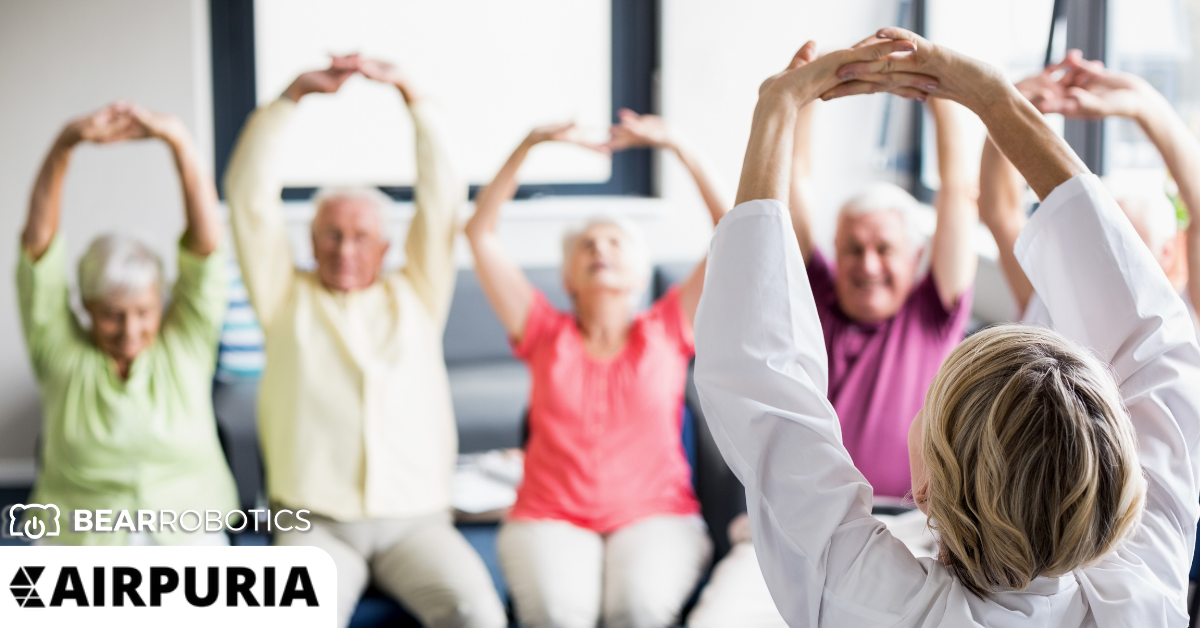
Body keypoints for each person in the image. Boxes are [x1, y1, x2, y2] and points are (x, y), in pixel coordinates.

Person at [694, 27, 1199, 626]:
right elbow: (1155, 345)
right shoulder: (1147, 596)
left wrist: (775, 108)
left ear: (926, 489)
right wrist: (994, 98)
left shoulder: (870, 599)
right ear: (1122, 490)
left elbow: (762, 387)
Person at [223, 56, 506, 628]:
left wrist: (412, 96)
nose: (345, 249)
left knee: (477, 612)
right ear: (310, 239)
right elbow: (248, 196)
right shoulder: (284, 296)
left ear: (385, 245)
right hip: (314, 523)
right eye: (331, 234)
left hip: (417, 522)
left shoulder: (417, 294)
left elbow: (442, 197)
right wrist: (290, 98)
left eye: (360, 236)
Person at [465, 110, 722, 628]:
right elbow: (480, 233)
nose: (600, 249)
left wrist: (679, 148)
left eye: (614, 243)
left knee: (638, 609)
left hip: (657, 517)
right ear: (568, 277)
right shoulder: (542, 331)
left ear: (638, 272)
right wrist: (527, 144)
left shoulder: (669, 327)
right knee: (560, 615)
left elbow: (736, 233)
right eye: (587, 245)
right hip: (549, 516)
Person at [17, 102, 237, 545]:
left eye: (143, 312)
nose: (131, 330)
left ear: (163, 302)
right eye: (113, 316)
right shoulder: (60, 352)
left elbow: (207, 253)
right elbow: (38, 255)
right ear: (87, 308)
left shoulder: (186, 341)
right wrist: (65, 145)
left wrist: (178, 140)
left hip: (187, 533)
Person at [788, 75, 977, 500]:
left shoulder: (932, 311)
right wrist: (810, 87)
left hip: (908, 523)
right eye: (853, 249)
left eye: (884, 249)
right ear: (835, 250)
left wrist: (935, 88)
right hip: (810, 515)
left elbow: (958, 192)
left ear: (914, 257)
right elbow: (794, 179)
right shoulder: (816, 290)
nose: (867, 264)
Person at [980, 49, 1200, 331]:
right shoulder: (1052, 306)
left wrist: (1144, 105)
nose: (1115, 257)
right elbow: (1000, 211)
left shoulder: (1183, 325)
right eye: (1106, 241)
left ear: (1167, 252)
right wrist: (1008, 103)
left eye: (1133, 244)